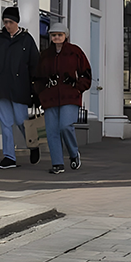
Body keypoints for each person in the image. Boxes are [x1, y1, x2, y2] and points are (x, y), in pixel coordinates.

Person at [0, 5, 40, 169]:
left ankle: (33, 144)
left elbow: (35, 65)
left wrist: (35, 90)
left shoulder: (26, 39)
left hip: (20, 87)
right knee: (5, 122)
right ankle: (9, 156)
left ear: (17, 21)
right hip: (1, 87)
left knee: (20, 120)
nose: (7, 25)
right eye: (5, 21)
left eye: (10, 21)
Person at [34, 22, 91, 174]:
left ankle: (73, 153)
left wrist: (77, 86)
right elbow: (38, 76)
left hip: (70, 95)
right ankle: (57, 163)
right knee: (52, 130)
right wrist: (41, 91)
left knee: (65, 126)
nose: (56, 37)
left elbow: (86, 73)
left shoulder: (75, 52)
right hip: (50, 97)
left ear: (65, 36)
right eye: (54, 35)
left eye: (59, 35)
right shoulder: (45, 55)